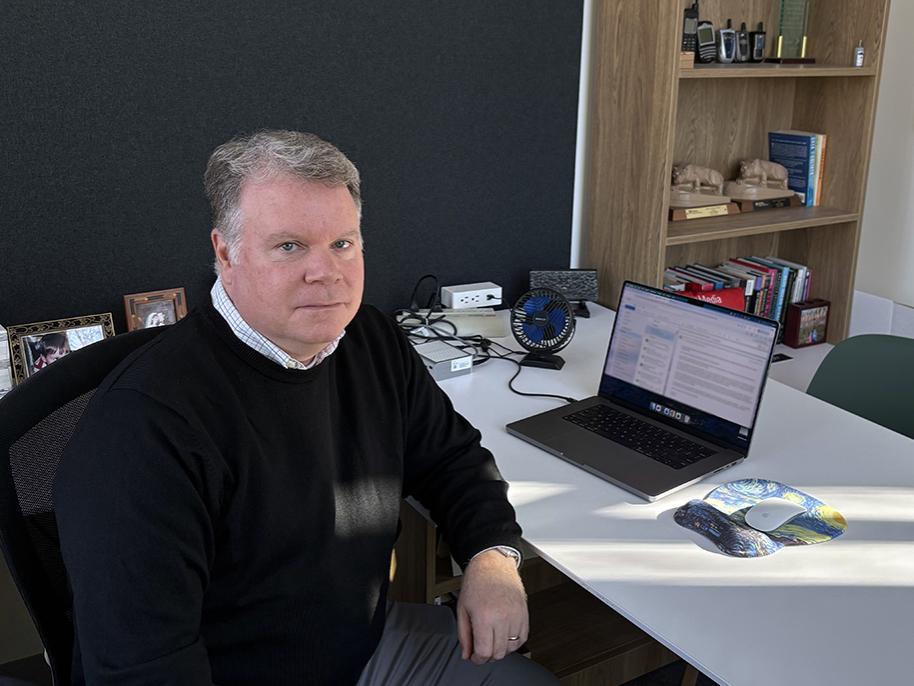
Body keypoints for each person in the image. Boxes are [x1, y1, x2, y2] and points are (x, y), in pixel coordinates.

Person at [55, 130, 557, 686]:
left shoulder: (370, 339)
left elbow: (454, 459)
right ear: (226, 253)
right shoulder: (145, 427)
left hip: (360, 650)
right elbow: (144, 669)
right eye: (290, 246)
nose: (327, 272)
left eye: (343, 243)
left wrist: (491, 558)